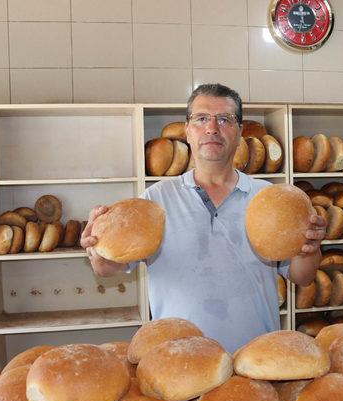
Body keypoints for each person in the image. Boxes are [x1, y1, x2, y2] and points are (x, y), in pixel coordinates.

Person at [81, 83, 325, 353]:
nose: (212, 128)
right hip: (179, 358)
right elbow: (107, 269)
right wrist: (99, 250)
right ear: (187, 130)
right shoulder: (155, 200)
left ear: (240, 131)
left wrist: (309, 249)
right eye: (201, 119)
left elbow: (303, 277)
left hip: (253, 357)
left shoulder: (269, 199)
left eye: (224, 119)